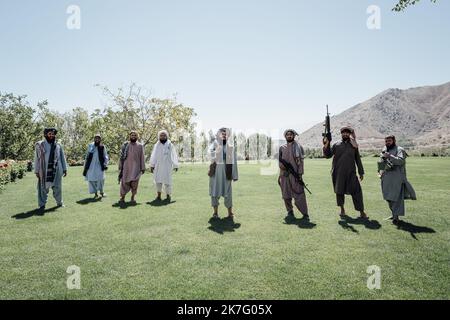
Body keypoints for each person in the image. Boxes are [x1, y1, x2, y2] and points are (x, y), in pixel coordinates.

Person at [323, 126, 368, 219]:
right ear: (341, 134)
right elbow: (327, 155)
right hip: (338, 172)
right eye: (343, 132)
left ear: (349, 134)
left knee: (357, 192)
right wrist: (327, 143)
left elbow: (358, 159)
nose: (345, 134)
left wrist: (361, 172)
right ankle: (342, 210)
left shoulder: (354, 145)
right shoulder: (336, 144)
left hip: (351, 172)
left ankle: (362, 212)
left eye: (347, 132)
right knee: (339, 192)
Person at [378, 135, 416, 224]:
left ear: (394, 141)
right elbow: (381, 161)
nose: (387, 142)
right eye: (386, 141)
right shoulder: (384, 149)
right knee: (387, 196)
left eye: (389, 141)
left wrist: (390, 156)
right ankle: (394, 214)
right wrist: (380, 172)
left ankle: (396, 217)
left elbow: (401, 161)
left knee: (396, 197)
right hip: (385, 177)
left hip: (396, 177)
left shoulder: (400, 149)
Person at [34, 128, 68, 212]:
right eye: (50, 134)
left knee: (57, 187)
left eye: (53, 134)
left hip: (57, 170)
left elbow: (62, 158)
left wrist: (64, 169)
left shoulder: (58, 145)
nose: (51, 135)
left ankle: (59, 203)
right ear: (46, 134)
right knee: (42, 188)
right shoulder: (39, 145)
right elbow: (36, 158)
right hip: (44, 170)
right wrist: (36, 170)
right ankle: (42, 205)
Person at [209, 127, 238, 219]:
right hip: (215, 173)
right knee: (214, 192)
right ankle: (215, 213)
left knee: (228, 193)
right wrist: (216, 152)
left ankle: (230, 213)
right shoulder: (213, 145)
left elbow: (234, 161)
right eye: (222, 134)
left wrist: (235, 175)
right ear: (218, 135)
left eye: (226, 134)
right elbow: (209, 155)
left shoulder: (231, 147)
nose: (224, 135)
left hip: (227, 173)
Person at [278, 129, 309, 218]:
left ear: (294, 136)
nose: (289, 136)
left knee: (299, 194)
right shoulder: (282, 148)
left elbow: (301, 162)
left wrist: (299, 174)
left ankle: (305, 213)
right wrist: (281, 168)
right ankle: (290, 211)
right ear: (285, 136)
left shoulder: (298, 147)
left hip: (295, 175)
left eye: (291, 134)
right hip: (284, 175)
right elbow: (279, 161)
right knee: (286, 194)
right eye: (287, 135)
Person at [150, 130, 179, 202]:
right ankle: (158, 195)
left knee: (168, 181)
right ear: (159, 136)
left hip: (167, 166)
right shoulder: (156, 145)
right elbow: (153, 155)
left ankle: (168, 196)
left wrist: (175, 165)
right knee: (158, 181)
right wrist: (152, 165)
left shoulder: (170, 145)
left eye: (164, 135)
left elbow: (174, 155)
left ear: (167, 136)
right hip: (158, 166)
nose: (162, 137)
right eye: (161, 135)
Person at [118, 131, 146, 205]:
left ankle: (133, 197)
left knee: (135, 183)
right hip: (126, 167)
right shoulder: (125, 145)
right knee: (124, 182)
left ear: (137, 136)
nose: (133, 136)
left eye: (135, 135)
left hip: (136, 168)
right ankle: (122, 197)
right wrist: (120, 166)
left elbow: (142, 157)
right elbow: (121, 157)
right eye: (132, 135)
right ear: (129, 136)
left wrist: (143, 167)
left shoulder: (140, 146)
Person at [83, 134, 109, 199]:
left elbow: (105, 156)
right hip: (91, 165)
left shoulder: (102, 146)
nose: (97, 140)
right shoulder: (90, 146)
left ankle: (102, 192)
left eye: (98, 138)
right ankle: (95, 193)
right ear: (94, 139)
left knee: (101, 179)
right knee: (92, 179)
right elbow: (87, 155)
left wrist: (105, 163)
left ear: (100, 139)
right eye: (96, 138)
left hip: (100, 165)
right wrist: (85, 165)